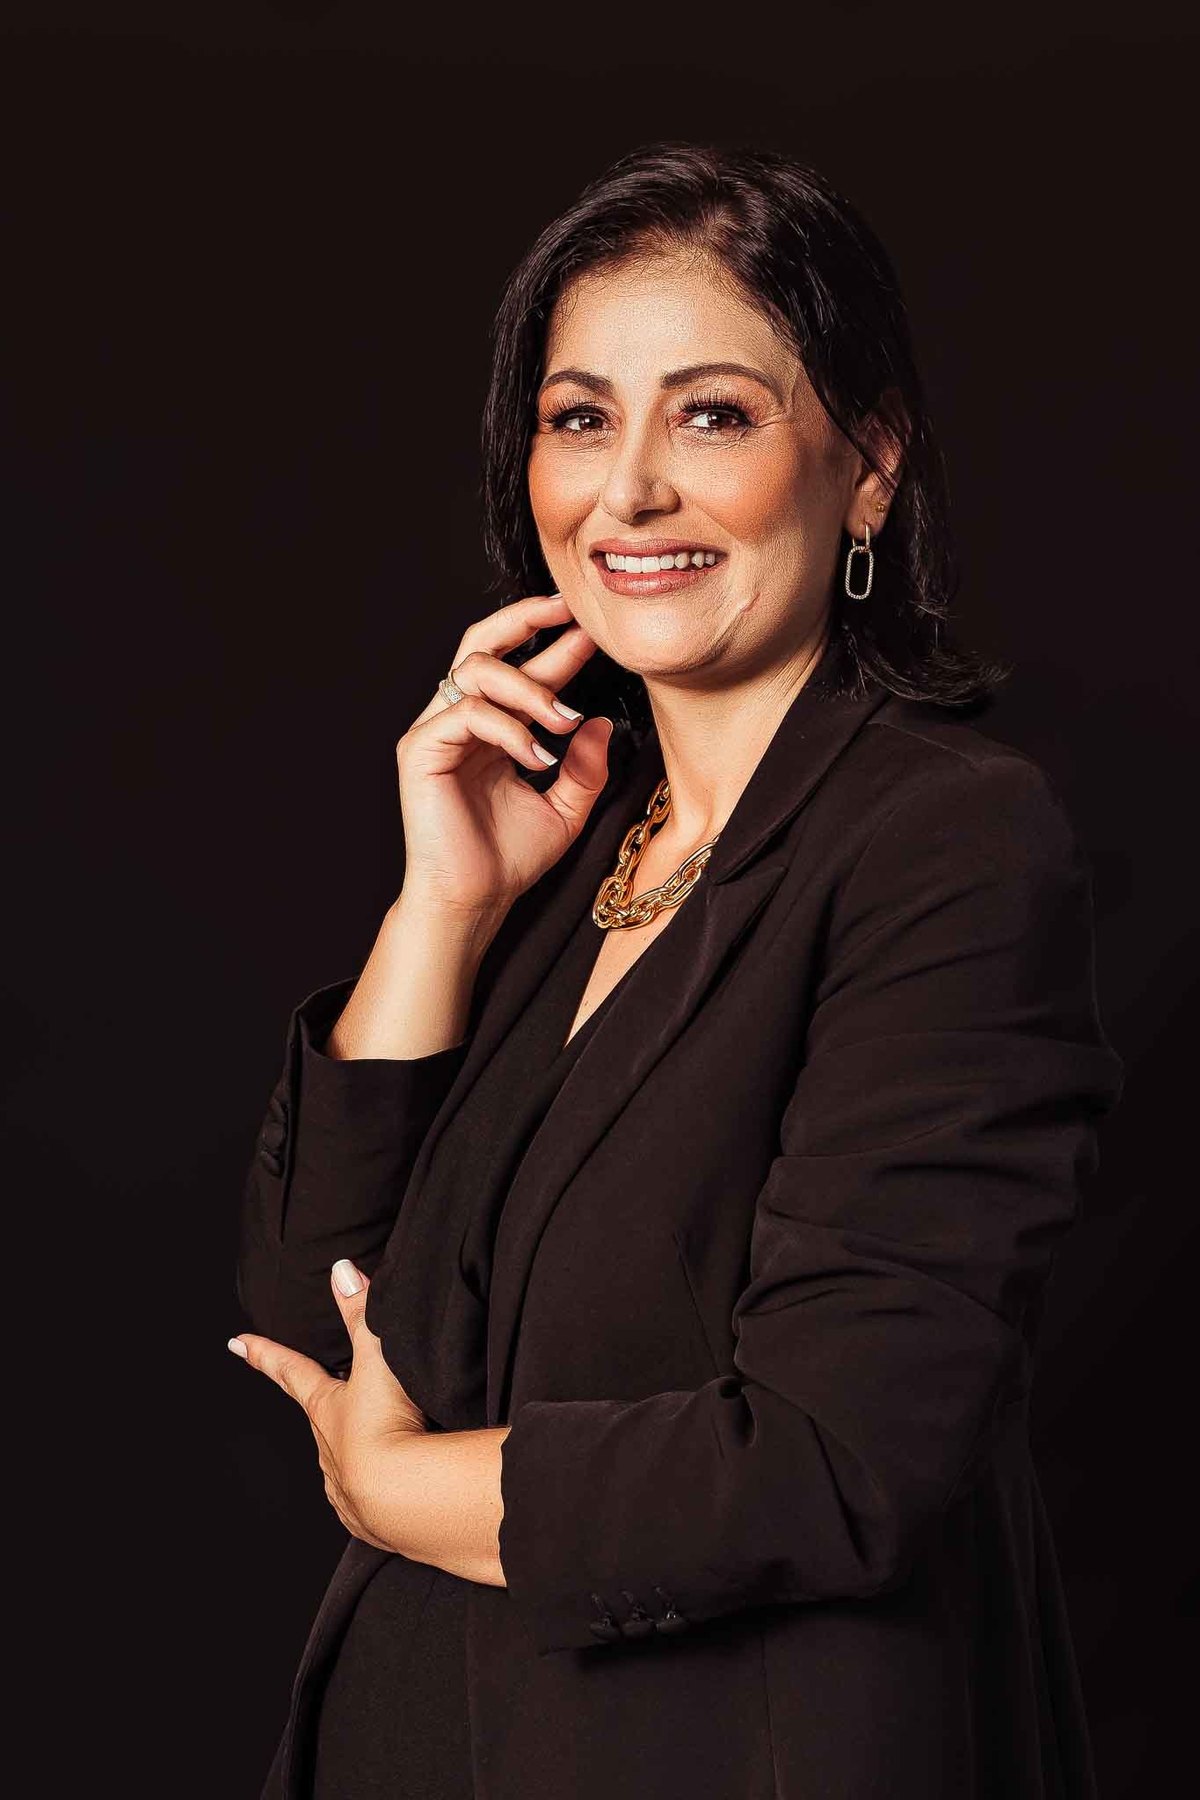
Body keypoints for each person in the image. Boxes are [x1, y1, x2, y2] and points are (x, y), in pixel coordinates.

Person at [230, 141, 1124, 1799]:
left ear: (869, 466)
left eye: (712, 415)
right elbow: (316, 1317)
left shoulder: (948, 844)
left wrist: (396, 1489)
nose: (628, 491)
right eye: (580, 419)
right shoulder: (573, 850)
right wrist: (444, 906)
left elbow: (835, 1458)